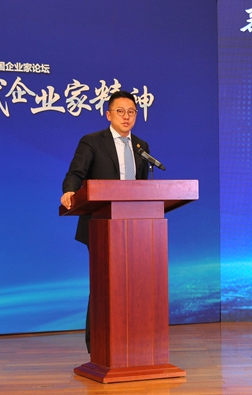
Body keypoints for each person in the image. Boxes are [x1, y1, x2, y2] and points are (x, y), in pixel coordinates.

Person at [60, 90, 150, 352]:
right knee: (104, 283)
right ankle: (97, 344)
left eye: (131, 112)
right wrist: (69, 191)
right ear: (108, 115)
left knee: (132, 283)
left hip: (133, 228)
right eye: (120, 111)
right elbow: (75, 173)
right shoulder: (92, 142)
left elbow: (142, 188)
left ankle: (130, 340)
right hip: (100, 224)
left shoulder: (141, 147)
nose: (126, 116)